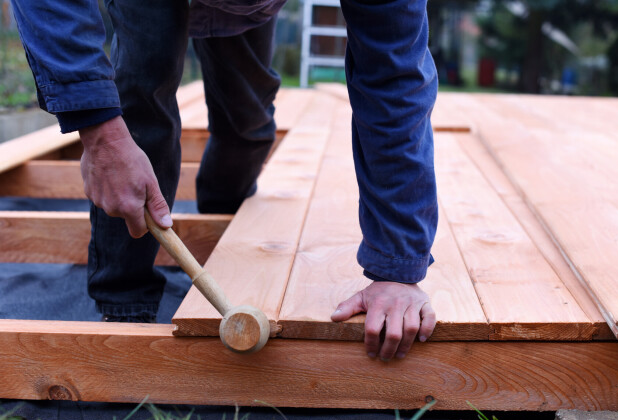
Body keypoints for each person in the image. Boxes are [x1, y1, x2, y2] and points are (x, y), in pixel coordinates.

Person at [11, 0, 439, 361]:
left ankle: (223, 209)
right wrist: (99, 131)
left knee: (247, 126)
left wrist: (397, 270)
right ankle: (125, 306)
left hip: (249, 9)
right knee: (140, 102)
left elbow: (394, 78)